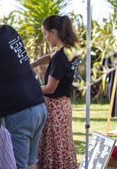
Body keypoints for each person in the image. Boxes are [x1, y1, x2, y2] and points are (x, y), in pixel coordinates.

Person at [0, 0, 47, 169]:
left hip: (18, 112)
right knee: (30, 162)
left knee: (15, 165)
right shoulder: (10, 31)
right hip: (37, 106)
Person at [31, 15, 80, 169]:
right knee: (62, 146)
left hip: (54, 109)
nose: (45, 38)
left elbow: (50, 88)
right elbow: (49, 57)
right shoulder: (71, 51)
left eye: (45, 34)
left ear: (53, 32)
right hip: (64, 106)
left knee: (52, 147)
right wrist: (31, 64)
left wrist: (28, 88)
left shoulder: (60, 57)